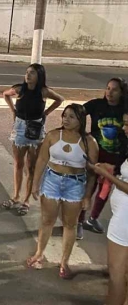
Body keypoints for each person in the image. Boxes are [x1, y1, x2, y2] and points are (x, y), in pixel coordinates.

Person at [26, 104, 98, 279]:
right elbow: (42, 159)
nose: (66, 119)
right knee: (47, 220)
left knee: (69, 224)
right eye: (64, 116)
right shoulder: (52, 135)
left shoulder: (90, 142)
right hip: (52, 181)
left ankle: (64, 261)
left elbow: (92, 173)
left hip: (75, 185)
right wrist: (35, 184)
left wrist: (88, 196)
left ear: (80, 120)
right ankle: (39, 254)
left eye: (71, 117)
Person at [2, 64, 64, 216]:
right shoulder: (20, 89)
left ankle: (26, 200)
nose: (28, 75)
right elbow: (5, 94)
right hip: (20, 127)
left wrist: (46, 113)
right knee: (18, 163)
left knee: (31, 167)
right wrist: (13, 111)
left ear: (39, 76)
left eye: (32, 73)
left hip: (36, 128)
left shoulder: (43, 91)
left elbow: (60, 99)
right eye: (27, 72)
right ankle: (16, 196)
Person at [78, 77, 127, 239]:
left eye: (114, 90)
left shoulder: (124, 109)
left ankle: (93, 218)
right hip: (96, 153)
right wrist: (83, 134)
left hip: (116, 156)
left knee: (105, 187)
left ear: (122, 93)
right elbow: (78, 113)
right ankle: (79, 221)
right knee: (89, 186)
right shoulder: (97, 105)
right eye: (108, 88)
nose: (110, 93)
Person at [89, 111, 128, 305]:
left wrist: (107, 175)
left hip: (125, 221)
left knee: (116, 273)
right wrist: (112, 168)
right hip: (123, 216)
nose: (124, 128)